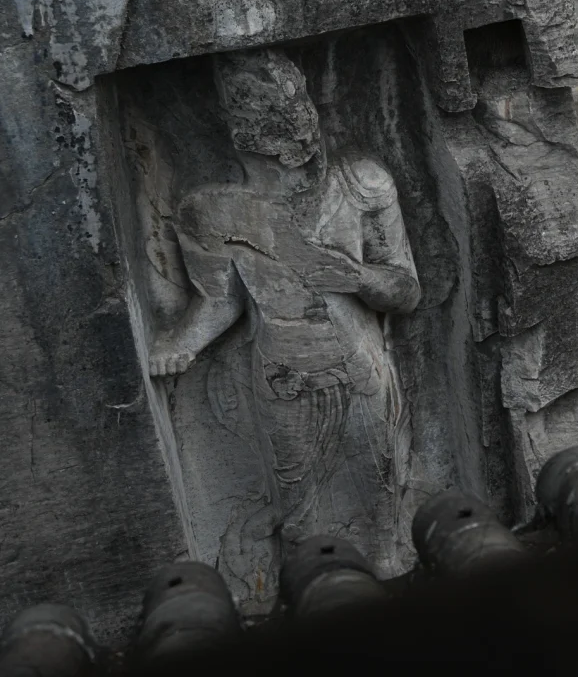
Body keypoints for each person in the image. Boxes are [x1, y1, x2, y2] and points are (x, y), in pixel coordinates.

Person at [148, 48, 421, 573]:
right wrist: (181, 344)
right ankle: (310, 582)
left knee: (381, 490)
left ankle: (392, 573)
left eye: (295, 113)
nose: (294, 146)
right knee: (297, 503)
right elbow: (219, 301)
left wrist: (359, 278)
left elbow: (407, 289)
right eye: (267, 119)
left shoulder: (361, 183)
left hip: (358, 362)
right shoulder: (211, 210)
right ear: (238, 132)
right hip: (280, 371)